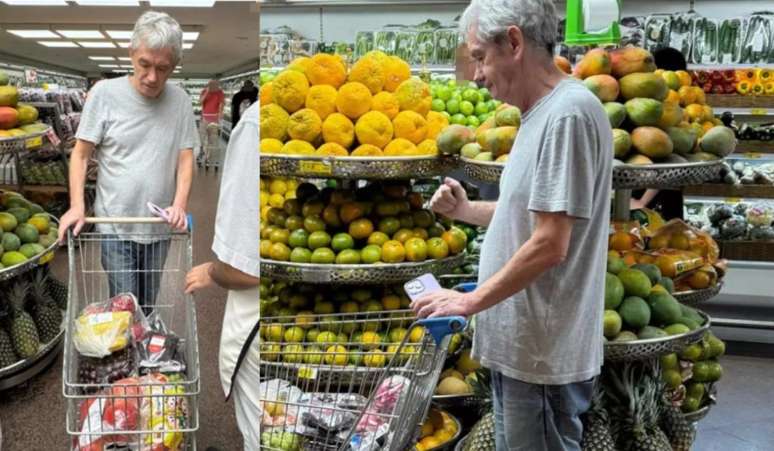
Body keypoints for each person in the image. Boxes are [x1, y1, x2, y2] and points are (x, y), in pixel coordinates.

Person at [411, 1, 612, 450]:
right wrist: (467, 212)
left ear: (515, 42)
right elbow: (533, 215)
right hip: (523, 347)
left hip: (541, 354)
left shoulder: (567, 115)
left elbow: (551, 244)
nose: (476, 75)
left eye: (480, 57)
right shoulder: (538, 113)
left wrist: (470, 301)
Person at [58, 11, 198, 313]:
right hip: (114, 225)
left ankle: (143, 341)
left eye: (163, 68)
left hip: (158, 226)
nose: (152, 77)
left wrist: (180, 204)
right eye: (145, 64)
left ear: (174, 65)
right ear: (131, 53)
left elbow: (186, 158)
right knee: (124, 307)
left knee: (147, 303)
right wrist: (77, 205)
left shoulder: (181, 102)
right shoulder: (104, 94)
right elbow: (81, 154)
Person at [185, 100, 260, 450]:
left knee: (261, 421)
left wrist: (214, 271)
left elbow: (242, 267)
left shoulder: (255, 124)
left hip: (259, 318)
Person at [630, 46, 688, 220]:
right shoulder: (682, 101)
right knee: (672, 231)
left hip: (649, 192)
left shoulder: (661, 105)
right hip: (669, 192)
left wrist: (643, 201)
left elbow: (666, 161)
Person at [199, 79, 225, 159]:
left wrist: (220, 113)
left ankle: (208, 154)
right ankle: (202, 151)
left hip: (214, 118)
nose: (214, 87)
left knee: (212, 137)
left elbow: (221, 103)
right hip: (204, 117)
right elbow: (200, 102)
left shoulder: (220, 92)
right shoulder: (204, 91)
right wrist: (207, 92)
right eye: (211, 85)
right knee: (202, 137)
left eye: (215, 85)